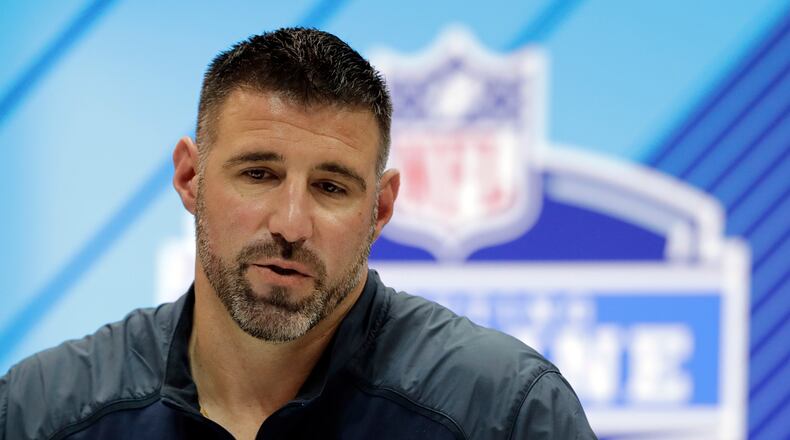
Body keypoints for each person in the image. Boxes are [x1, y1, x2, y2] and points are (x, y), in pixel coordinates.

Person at [0, 28, 596, 440]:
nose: (290, 224)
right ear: (189, 177)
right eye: (258, 174)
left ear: (381, 209)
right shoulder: (43, 410)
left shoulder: (504, 411)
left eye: (331, 187)